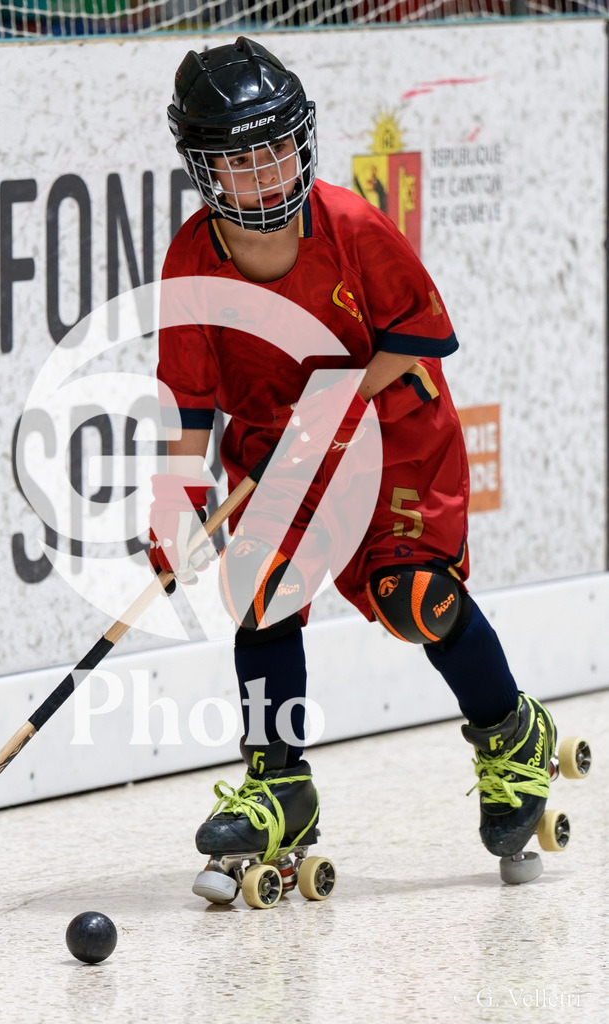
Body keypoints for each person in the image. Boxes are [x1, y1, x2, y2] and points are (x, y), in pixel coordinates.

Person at [148, 36, 558, 897]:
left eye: (275, 150)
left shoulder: (353, 228)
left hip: (392, 429)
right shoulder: (190, 262)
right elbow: (188, 400)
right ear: (204, 173)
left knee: (416, 599)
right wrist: (176, 501)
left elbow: (415, 338)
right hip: (278, 450)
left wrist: (333, 402)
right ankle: (279, 786)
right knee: (261, 592)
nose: (265, 175)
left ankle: (509, 733)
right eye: (239, 163)